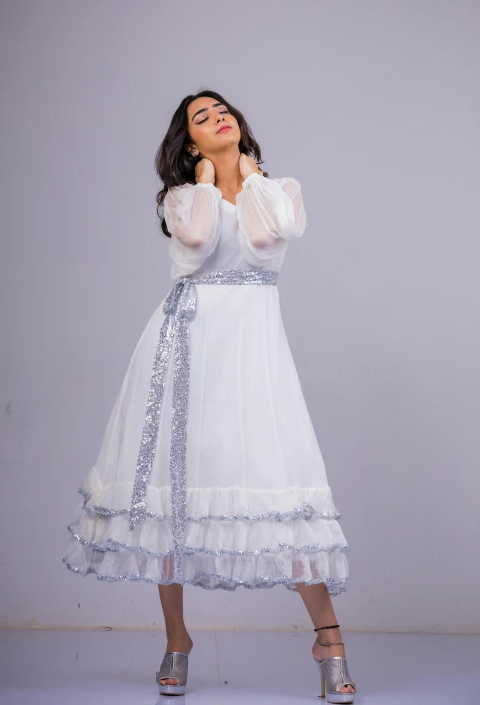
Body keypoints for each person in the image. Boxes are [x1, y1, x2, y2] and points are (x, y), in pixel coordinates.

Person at [62, 89, 357, 702]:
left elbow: (271, 233)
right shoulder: (182, 199)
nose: (217, 116)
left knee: (280, 485)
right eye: (201, 117)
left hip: (253, 356)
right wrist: (203, 181)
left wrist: (246, 174)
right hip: (183, 349)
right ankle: (177, 639)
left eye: (222, 109)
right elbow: (196, 243)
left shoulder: (279, 191)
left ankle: (329, 641)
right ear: (190, 142)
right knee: (175, 492)